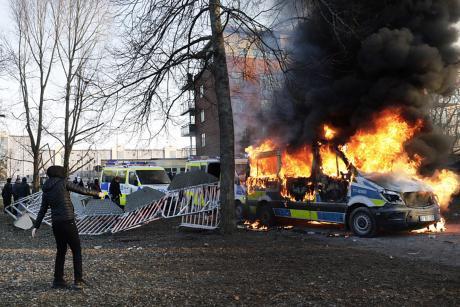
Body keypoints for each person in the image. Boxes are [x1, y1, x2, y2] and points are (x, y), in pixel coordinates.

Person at [31, 165, 103, 290]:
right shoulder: (63, 183)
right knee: (76, 250)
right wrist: (98, 193)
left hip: (56, 224)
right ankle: (78, 281)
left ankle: (58, 280)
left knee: (61, 251)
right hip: (68, 221)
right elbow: (83, 190)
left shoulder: (46, 188)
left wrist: (35, 226)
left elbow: (43, 209)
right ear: (60, 173)